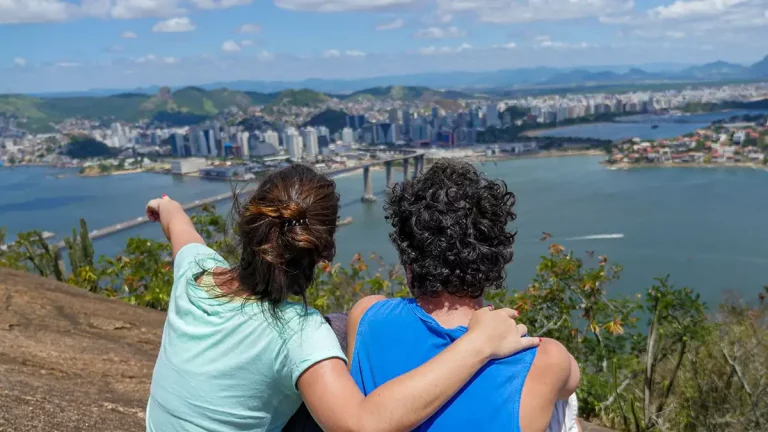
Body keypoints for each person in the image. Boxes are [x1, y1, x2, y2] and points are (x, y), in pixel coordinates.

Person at [144, 164, 540, 432]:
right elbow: (364, 425)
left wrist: (167, 206)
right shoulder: (299, 334)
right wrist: (478, 344)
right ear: (324, 250)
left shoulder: (197, 274)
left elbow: (181, 231)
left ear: (251, 222)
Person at [347, 159, 580, 432]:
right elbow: (570, 385)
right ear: (494, 260)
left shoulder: (366, 315)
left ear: (409, 262)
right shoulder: (546, 358)